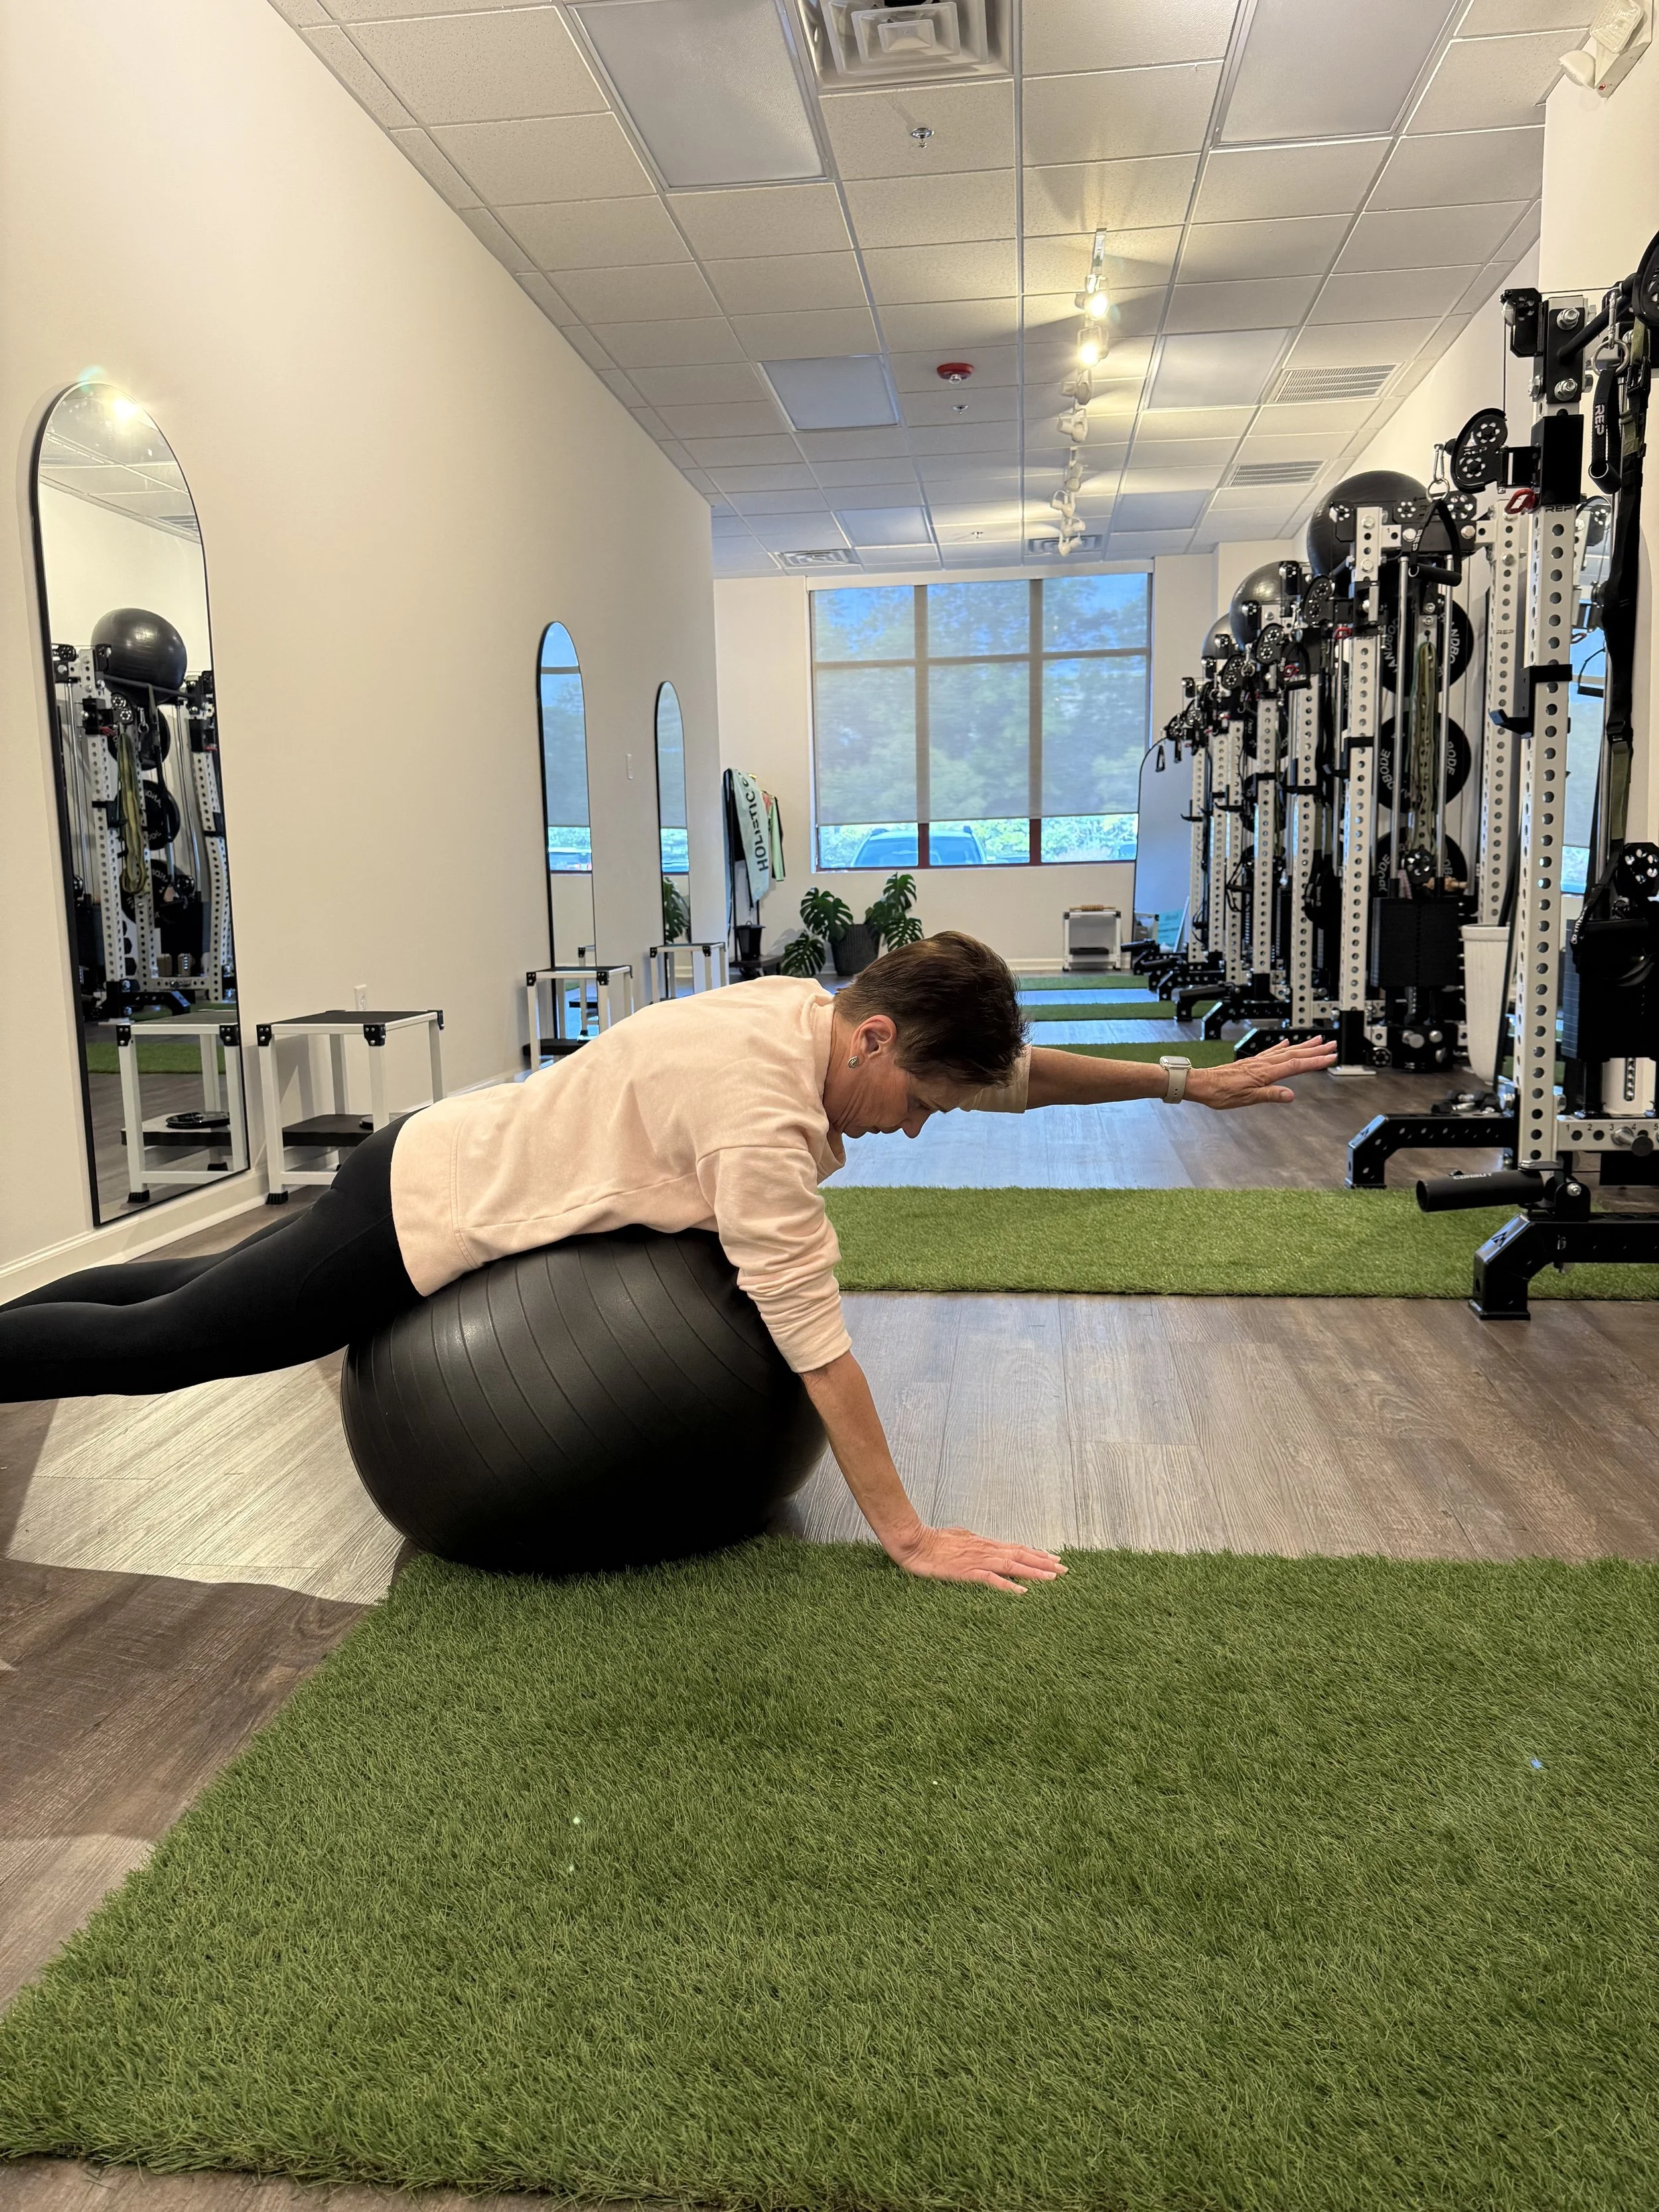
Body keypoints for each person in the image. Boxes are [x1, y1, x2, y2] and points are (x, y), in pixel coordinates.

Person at [1, 932, 1335, 1593]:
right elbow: (815, 1346)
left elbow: (1010, 1078)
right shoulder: (756, 1123)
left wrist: (1184, 1085)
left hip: (433, 1145)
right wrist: (910, 1535)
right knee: (173, 1345)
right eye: (918, 1098)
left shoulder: (810, 1013)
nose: (921, 1126)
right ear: (873, 1044)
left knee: (174, 1301)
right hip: (419, 1210)